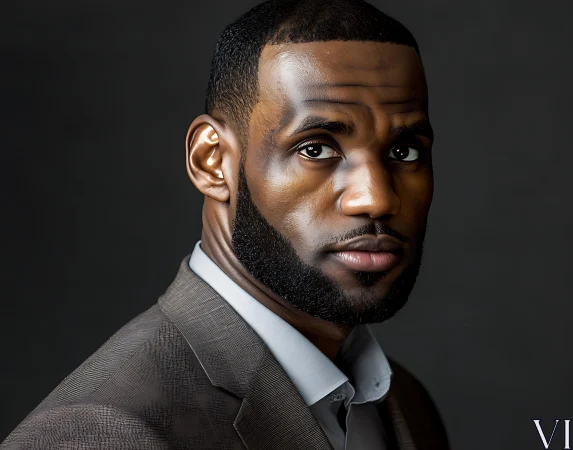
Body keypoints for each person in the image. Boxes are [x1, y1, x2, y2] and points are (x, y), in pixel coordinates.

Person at [1, 0, 448, 448]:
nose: (376, 197)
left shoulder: (402, 403)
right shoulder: (101, 433)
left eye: (404, 152)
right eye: (315, 149)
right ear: (211, 162)